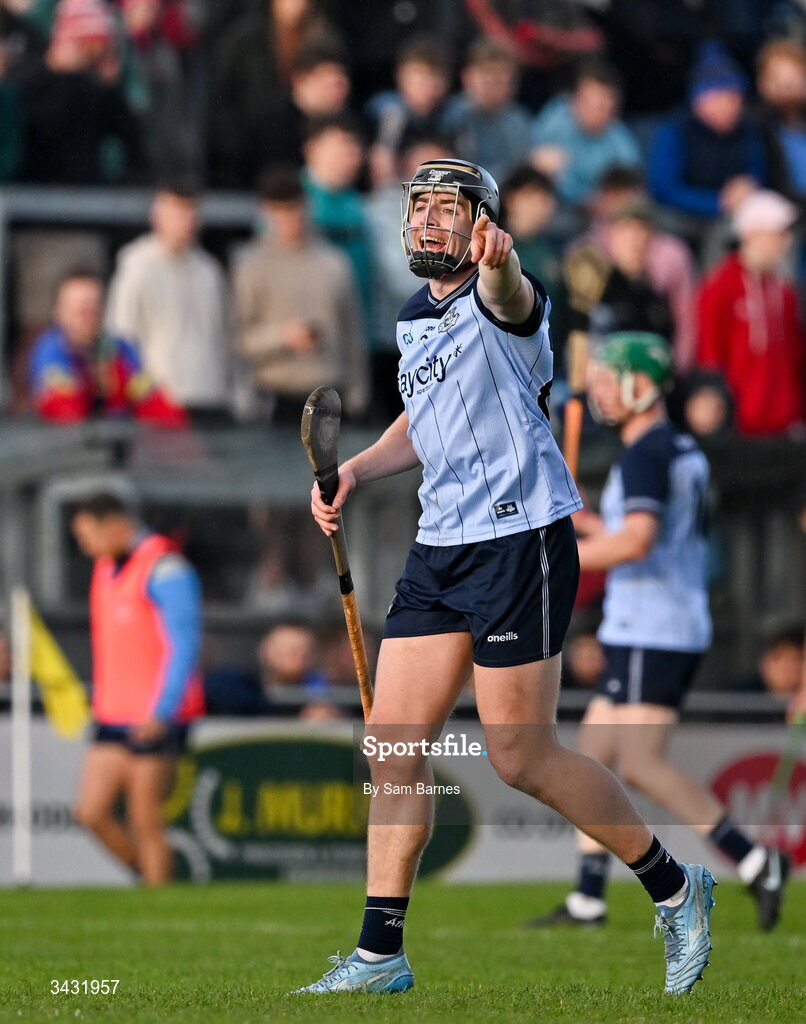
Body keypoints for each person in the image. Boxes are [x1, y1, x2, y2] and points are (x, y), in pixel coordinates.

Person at [297, 158, 715, 996]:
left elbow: (513, 294)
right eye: (419, 210)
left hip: (520, 539)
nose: (427, 224)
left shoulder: (505, 296)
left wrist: (501, 261)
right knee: (393, 747)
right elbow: (423, 421)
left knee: (519, 755)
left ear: (480, 221)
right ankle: (382, 955)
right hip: (439, 545)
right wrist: (355, 473)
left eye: (447, 211)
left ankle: (676, 888)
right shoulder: (417, 317)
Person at [525, 332, 790, 934]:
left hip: (655, 625)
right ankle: (588, 899)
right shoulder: (674, 447)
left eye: (607, 381)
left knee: (641, 763)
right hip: (652, 621)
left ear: (641, 387)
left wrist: (558, 552)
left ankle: (755, 861)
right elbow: (636, 531)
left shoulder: (646, 453)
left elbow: (638, 542)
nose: (597, 393)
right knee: (591, 754)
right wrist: (581, 522)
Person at [71, 492, 204, 885]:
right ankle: (150, 880)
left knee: (146, 818)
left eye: (87, 535)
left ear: (115, 525)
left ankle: (158, 904)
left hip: (156, 713)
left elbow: (184, 645)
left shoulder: (166, 569)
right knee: (90, 811)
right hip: (114, 712)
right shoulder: (106, 567)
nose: (84, 546)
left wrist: (162, 710)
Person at [232, 166, 367, 422]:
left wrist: (358, 392)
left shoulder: (334, 262)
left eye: (296, 208)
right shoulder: (250, 265)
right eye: (280, 211)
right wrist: (283, 338)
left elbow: (352, 331)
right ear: (266, 213)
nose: (290, 218)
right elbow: (236, 338)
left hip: (329, 393)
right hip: (275, 396)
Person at [106, 180, 232, 416]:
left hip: (211, 396)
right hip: (162, 403)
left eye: (190, 214)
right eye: (177, 214)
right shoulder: (136, 267)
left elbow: (224, 335)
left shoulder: (209, 270)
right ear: (157, 216)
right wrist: (140, 397)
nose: (185, 222)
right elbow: (121, 338)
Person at [696, 189, 805, 437]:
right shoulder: (719, 287)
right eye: (777, 234)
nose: (785, 242)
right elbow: (710, 356)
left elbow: (795, 357)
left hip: (785, 425)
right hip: (740, 426)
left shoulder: (784, 292)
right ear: (752, 234)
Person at [28, 269, 187, 426]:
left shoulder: (119, 348)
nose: (88, 316)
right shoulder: (52, 349)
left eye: (94, 308)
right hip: (64, 447)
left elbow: (157, 405)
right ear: (59, 312)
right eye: (79, 310)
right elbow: (65, 413)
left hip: (117, 444)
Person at [648, 41, 766, 221]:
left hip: (732, 214)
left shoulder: (748, 130)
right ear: (698, 101)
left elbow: (756, 172)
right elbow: (663, 189)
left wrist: (748, 186)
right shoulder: (675, 129)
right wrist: (716, 202)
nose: (728, 107)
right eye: (718, 99)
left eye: (734, 98)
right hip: (680, 216)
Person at [529, 59, 641, 208]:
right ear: (573, 100)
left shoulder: (622, 142)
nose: (597, 112)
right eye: (591, 103)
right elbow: (530, 159)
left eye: (604, 106)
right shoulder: (556, 119)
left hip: (597, 216)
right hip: (551, 205)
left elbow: (630, 190)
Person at [441, 38, 531, 186]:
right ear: (467, 77)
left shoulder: (518, 121)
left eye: (500, 81)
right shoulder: (453, 116)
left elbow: (520, 170)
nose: (492, 88)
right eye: (486, 79)